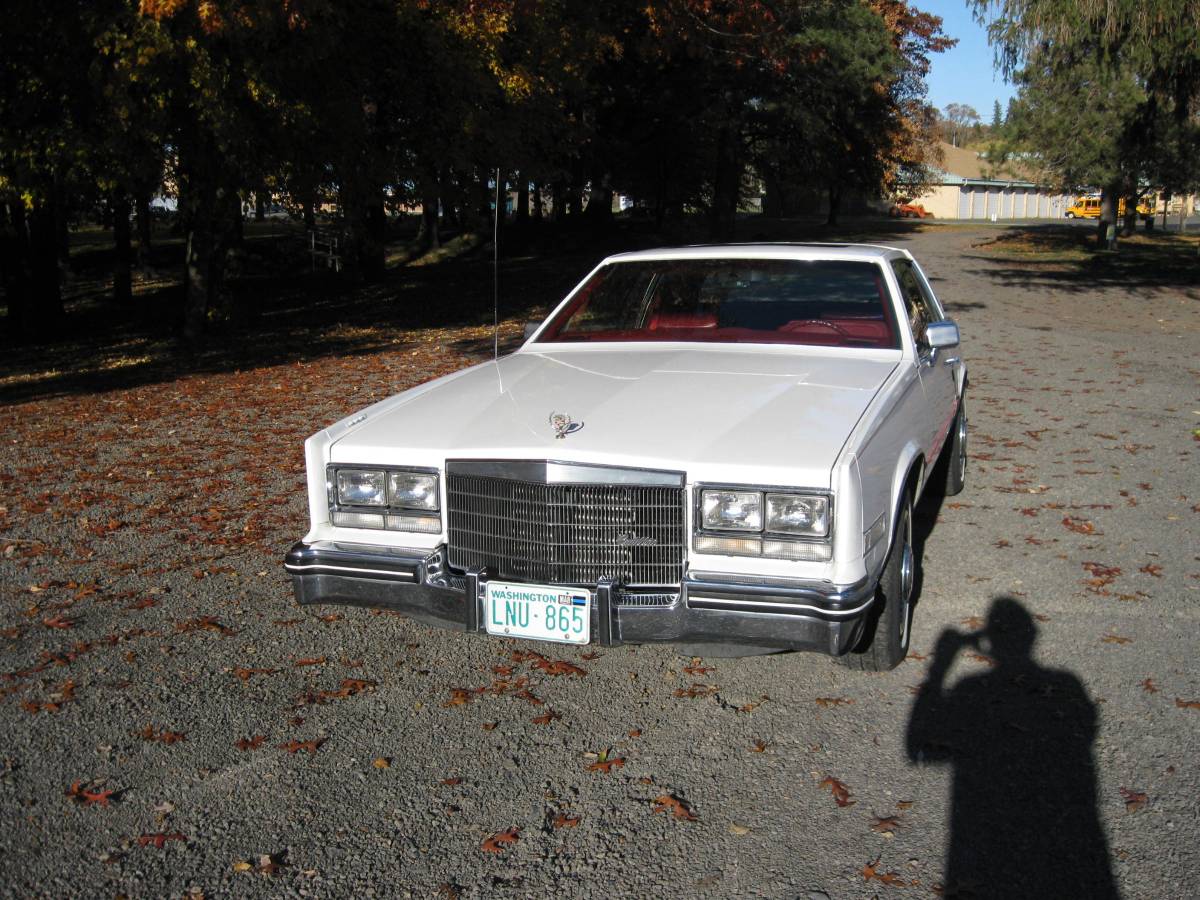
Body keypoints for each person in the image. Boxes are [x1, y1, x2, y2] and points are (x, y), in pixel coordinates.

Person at [906, 597, 1118, 898]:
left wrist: (939, 668)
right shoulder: (1066, 684)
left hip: (983, 830)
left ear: (989, 643)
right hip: (1065, 827)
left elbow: (918, 749)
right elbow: (1087, 729)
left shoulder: (970, 688)